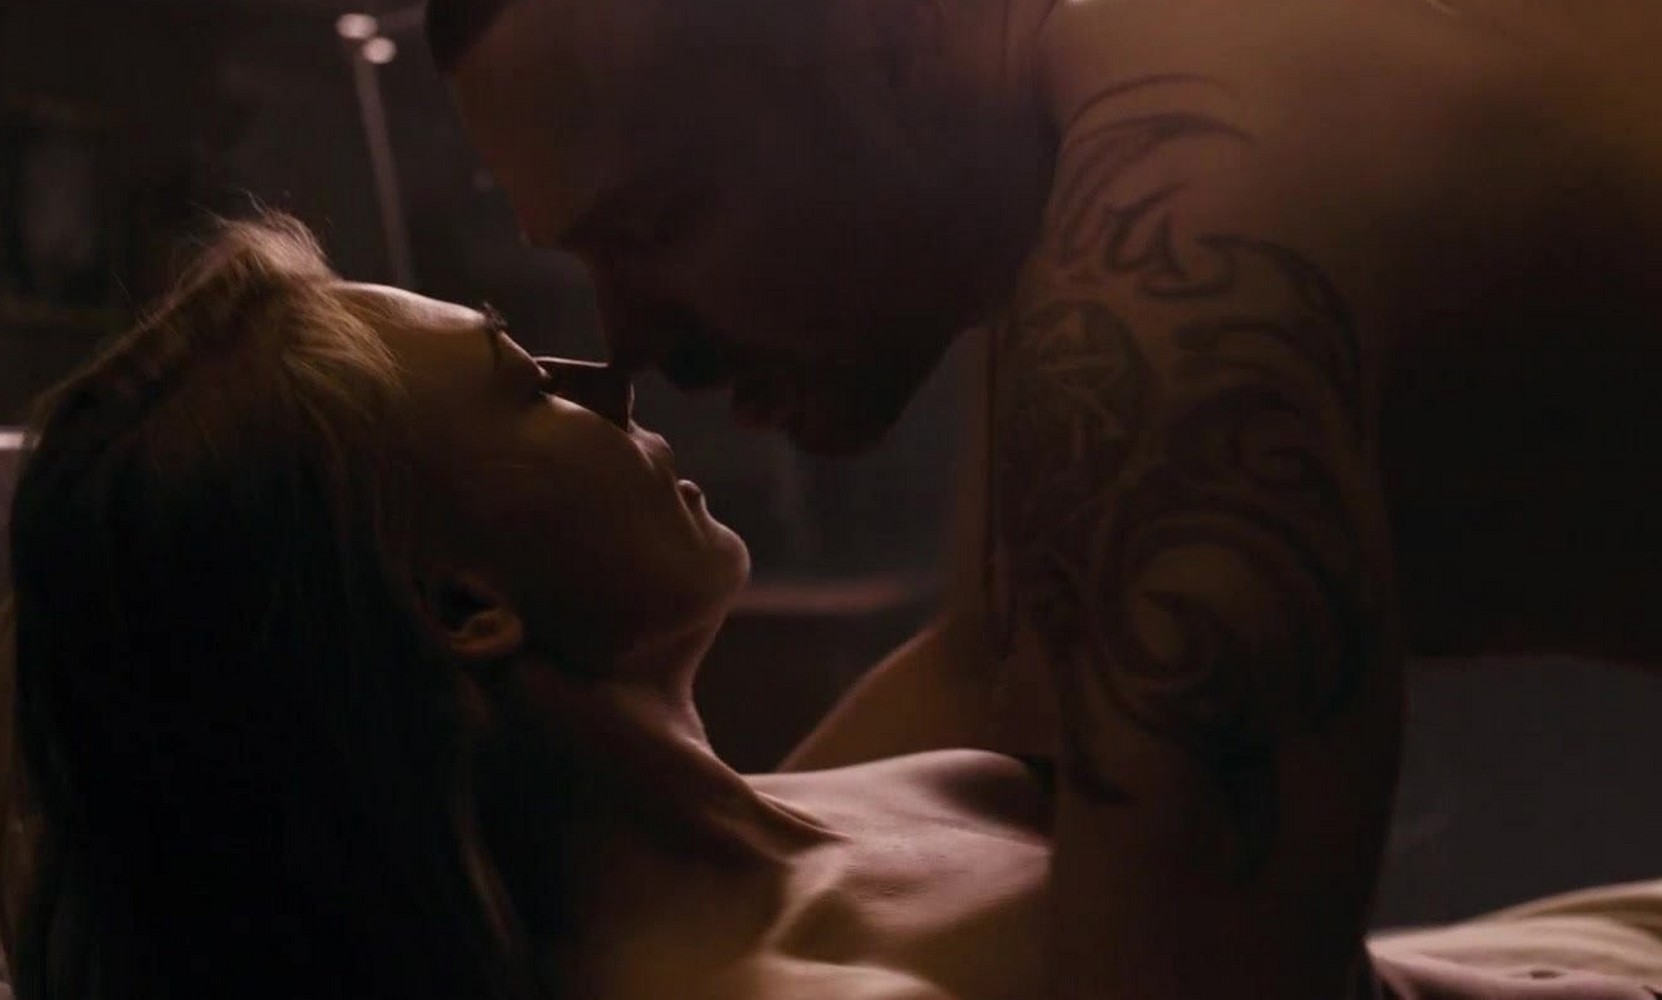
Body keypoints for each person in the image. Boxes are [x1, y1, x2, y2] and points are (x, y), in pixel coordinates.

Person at [426, 0, 1662, 997]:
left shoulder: (1181, 255)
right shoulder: (1099, 131)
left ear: (874, 32)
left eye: (657, 223)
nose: (637, 345)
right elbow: (997, 657)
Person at [0, 214, 1061, 1000]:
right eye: (528, 380)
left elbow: (998, 620)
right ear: (467, 605)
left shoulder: (791, 817)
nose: (613, 378)